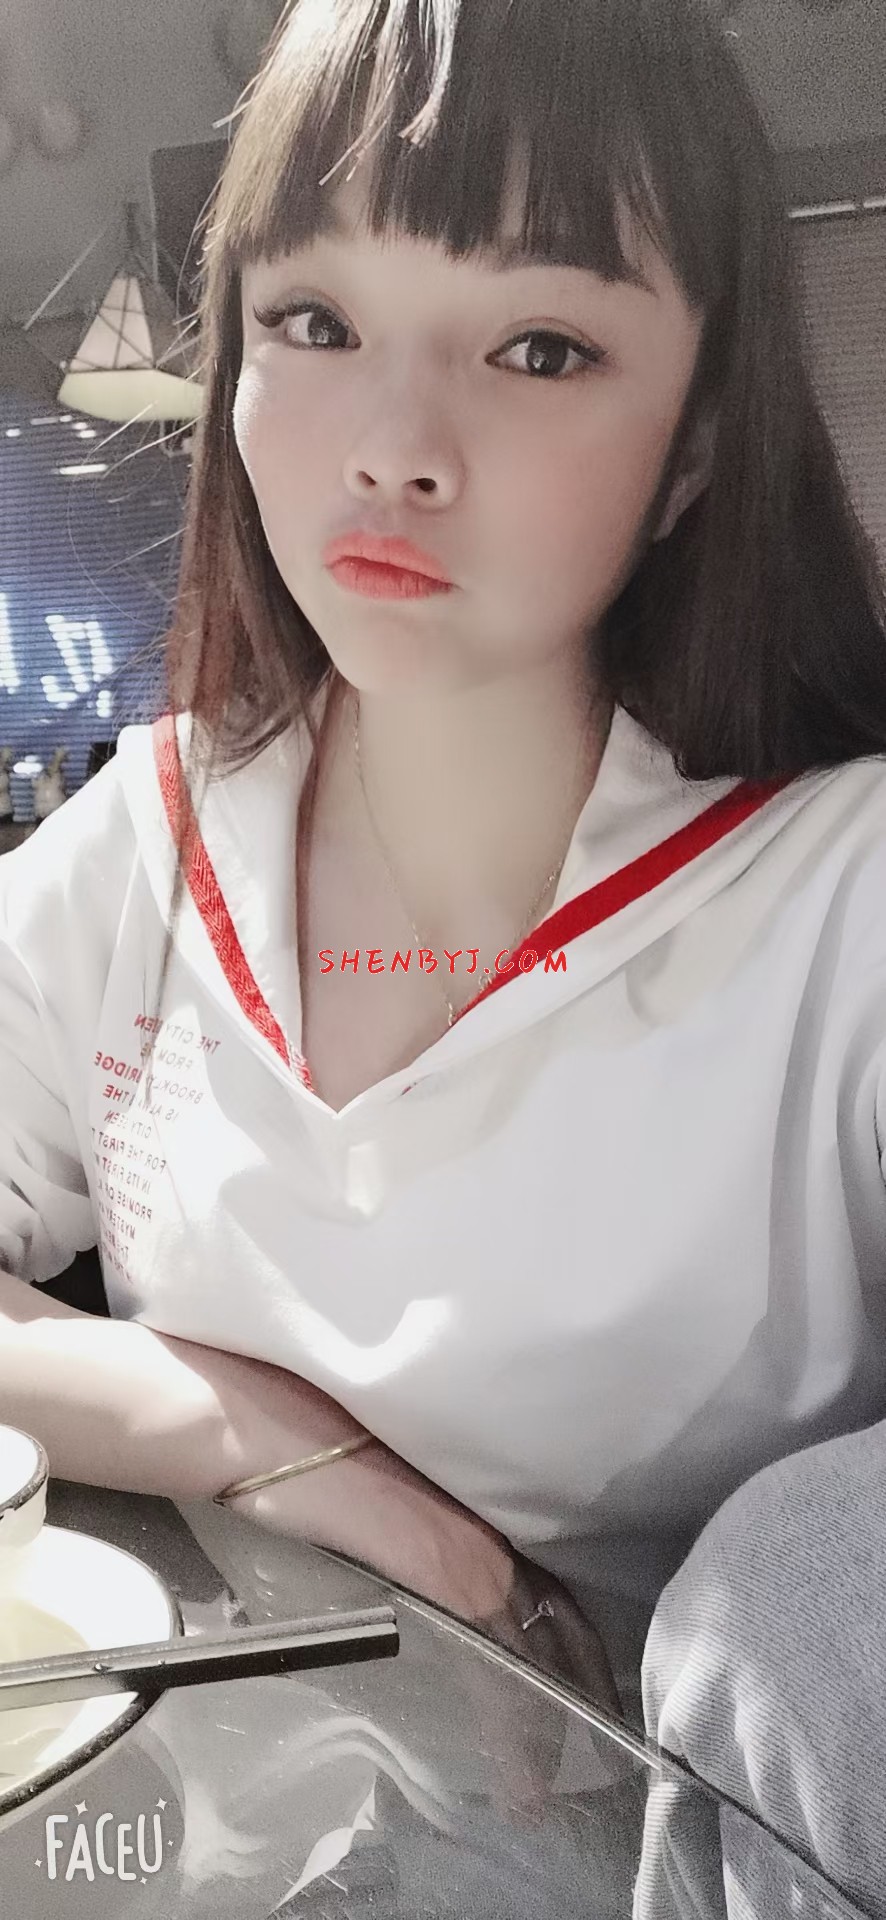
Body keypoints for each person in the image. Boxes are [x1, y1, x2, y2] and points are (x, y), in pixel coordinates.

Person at [2, 0, 886, 1814]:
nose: (393, 448)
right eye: (314, 323)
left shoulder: (839, 903)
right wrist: (283, 1447)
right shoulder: (150, 841)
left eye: (540, 347)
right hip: (220, 1817)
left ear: (698, 442)